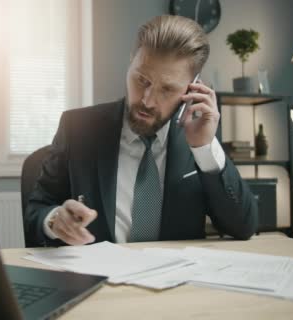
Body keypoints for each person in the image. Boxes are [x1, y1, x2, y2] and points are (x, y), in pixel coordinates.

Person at [24, 15, 258, 247]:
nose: (147, 100)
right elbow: (37, 208)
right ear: (131, 62)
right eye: (141, 80)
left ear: (193, 86)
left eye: (166, 89)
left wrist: (205, 148)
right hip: (98, 278)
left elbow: (243, 226)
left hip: (174, 280)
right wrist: (54, 220)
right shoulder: (77, 128)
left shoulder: (200, 138)